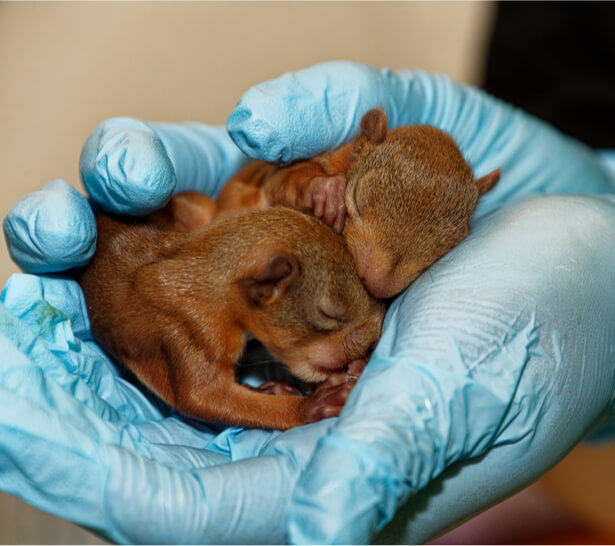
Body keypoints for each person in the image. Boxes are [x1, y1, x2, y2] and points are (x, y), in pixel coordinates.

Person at [1, 61, 615, 544]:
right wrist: (297, 410)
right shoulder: (278, 227)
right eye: (352, 217)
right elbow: (206, 380)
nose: (383, 280)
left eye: (418, 267)